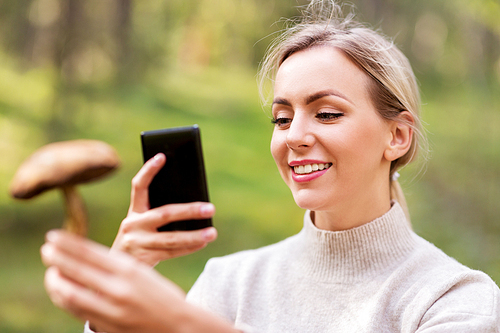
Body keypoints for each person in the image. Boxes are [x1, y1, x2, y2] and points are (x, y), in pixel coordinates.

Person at [40, 1, 500, 332]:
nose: (294, 136)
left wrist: (183, 324)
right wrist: (108, 317)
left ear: (397, 136)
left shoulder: (453, 298)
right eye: (282, 118)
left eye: (327, 113)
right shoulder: (230, 281)